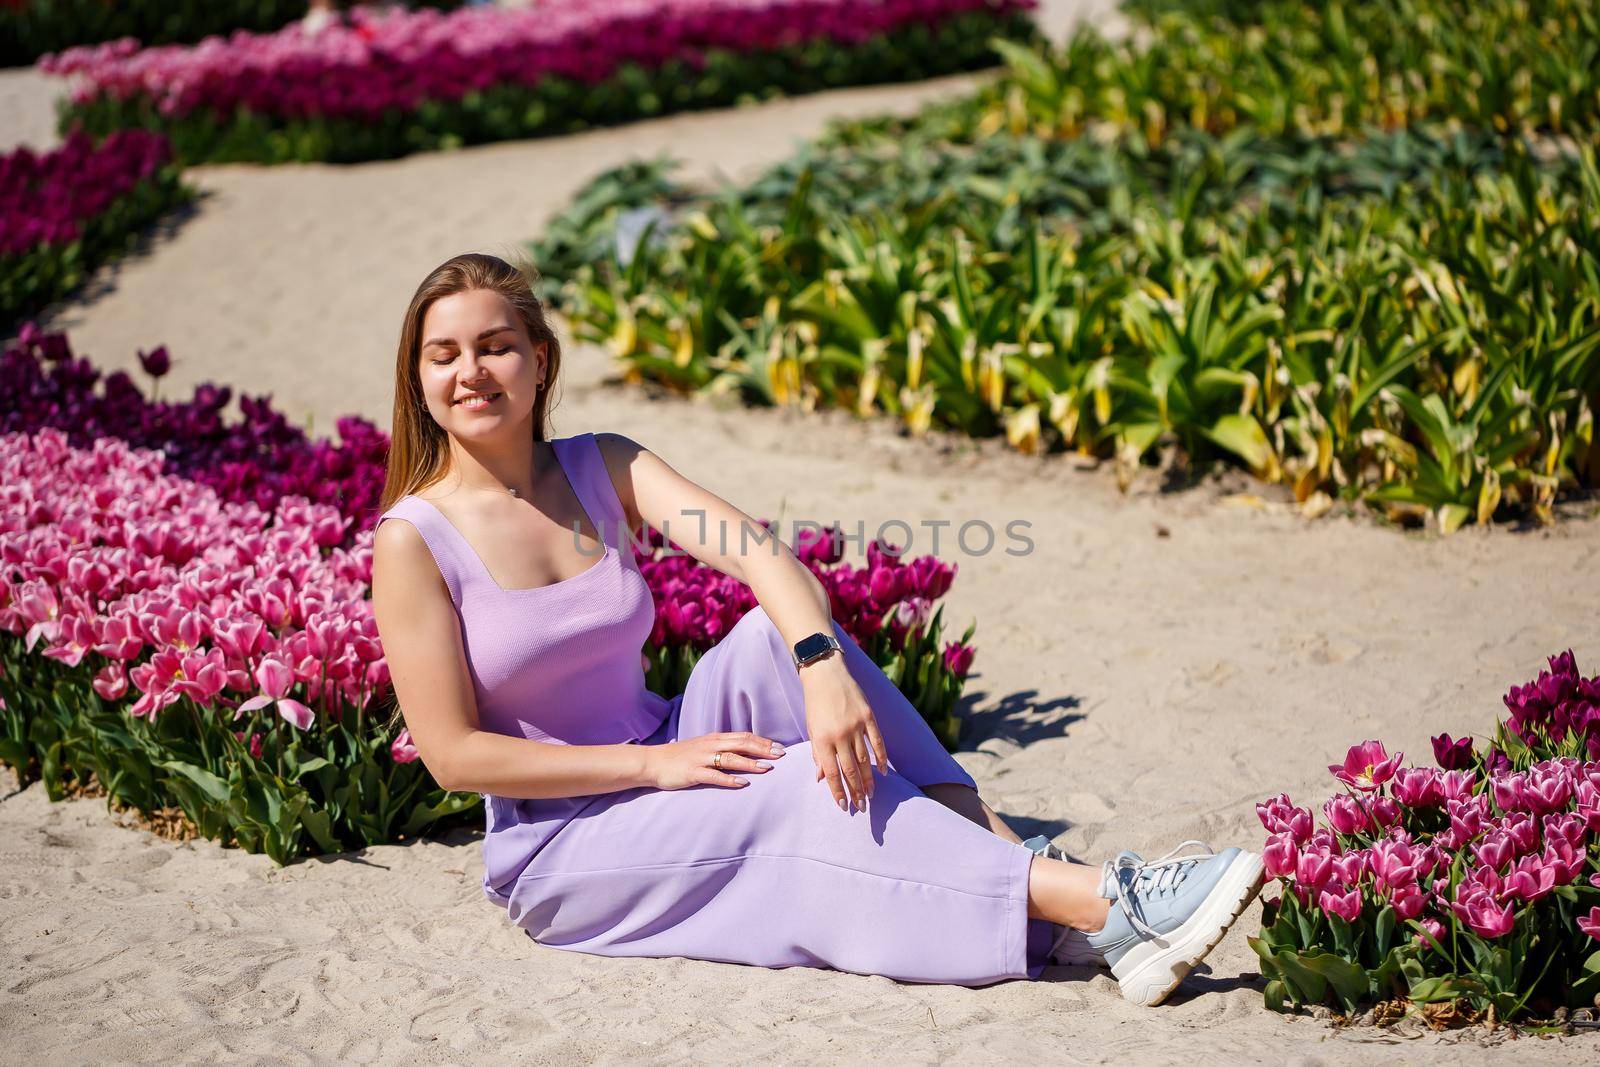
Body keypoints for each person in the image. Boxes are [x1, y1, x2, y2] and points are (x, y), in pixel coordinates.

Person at [369, 252, 1264, 1005]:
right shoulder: (415, 540)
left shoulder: (600, 464)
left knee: (771, 639)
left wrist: (820, 664)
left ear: (540, 359)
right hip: (564, 842)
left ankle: (1023, 879)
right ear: (419, 376)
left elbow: (760, 553)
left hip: (660, 740)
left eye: (495, 346)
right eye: (444, 355)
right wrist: (655, 765)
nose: (471, 373)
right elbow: (454, 756)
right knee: (801, 783)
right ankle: (1107, 902)